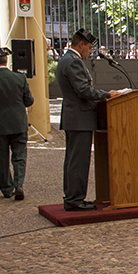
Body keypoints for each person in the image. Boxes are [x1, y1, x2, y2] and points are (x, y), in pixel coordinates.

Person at [57, 29, 122, 211]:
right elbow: (84, 91)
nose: (90, 52)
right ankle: (74, 200)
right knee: (78, 161)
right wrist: (106, 95)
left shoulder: (67, 60)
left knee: (73, 160)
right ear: (81, 45)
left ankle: (73, 197)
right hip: (80, 117)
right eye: (89, 48)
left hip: (75, 117)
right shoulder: (73, 62)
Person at [0, 47, 34, 200]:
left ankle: (6, 189)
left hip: (0, 125)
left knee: (2, 158)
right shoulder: (20, 78)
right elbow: (29, 101)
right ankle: (19, 185)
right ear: (6, 61)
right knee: (20, 156)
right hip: (19, 123)